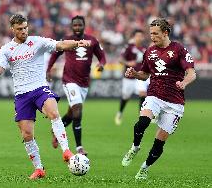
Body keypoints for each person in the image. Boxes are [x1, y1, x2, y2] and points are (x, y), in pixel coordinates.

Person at [0, 14, 91, 180]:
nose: (24, 31)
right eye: (20, 29)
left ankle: (67, 151)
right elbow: (0, 69)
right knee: (27, 134)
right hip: (22, 95)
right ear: (12, 29)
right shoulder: (6, 49)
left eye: (25, 27)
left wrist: (77, 43)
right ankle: (39, 169)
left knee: (54, 113)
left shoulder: (38, 42)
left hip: (39, 89)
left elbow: (61, 44)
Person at [121, 18, 196, 180]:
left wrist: (184, 82)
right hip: (154, 95)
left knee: (159, 142)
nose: (152, 37)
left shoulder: (179, 49)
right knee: (143, 122)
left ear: (165, 33)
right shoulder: (150, 51)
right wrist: (134, 74)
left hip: (175, 102)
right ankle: (135, 147)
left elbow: (191, 72)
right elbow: (145, 74)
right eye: (151, 34)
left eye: (155, 34)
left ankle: (144, 168)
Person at [46, 15, 106, 156]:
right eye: (75, 25)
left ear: (84, 26)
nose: (77, 28)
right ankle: (79, 148)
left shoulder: (92, 41)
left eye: (80, 25)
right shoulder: (67, 41)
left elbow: (102, 56)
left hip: (84, 83)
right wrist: (48, 69)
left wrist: (101, 64)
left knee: (72, 113)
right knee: (78, 110)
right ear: (72, 27)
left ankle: (56, 131)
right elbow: (55, 55)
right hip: (69, 80)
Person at [114, 29, 148, 126]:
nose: (139, 38)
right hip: (129, 77)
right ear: (134, 37)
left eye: (141, 36)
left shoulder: (145, 49)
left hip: (139, 76)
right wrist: (128, 63)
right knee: (125, 97)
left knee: (143, 94)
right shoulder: (128, 47)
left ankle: (141, 117)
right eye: (137, 36)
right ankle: (119, 113)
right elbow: (120, 59)